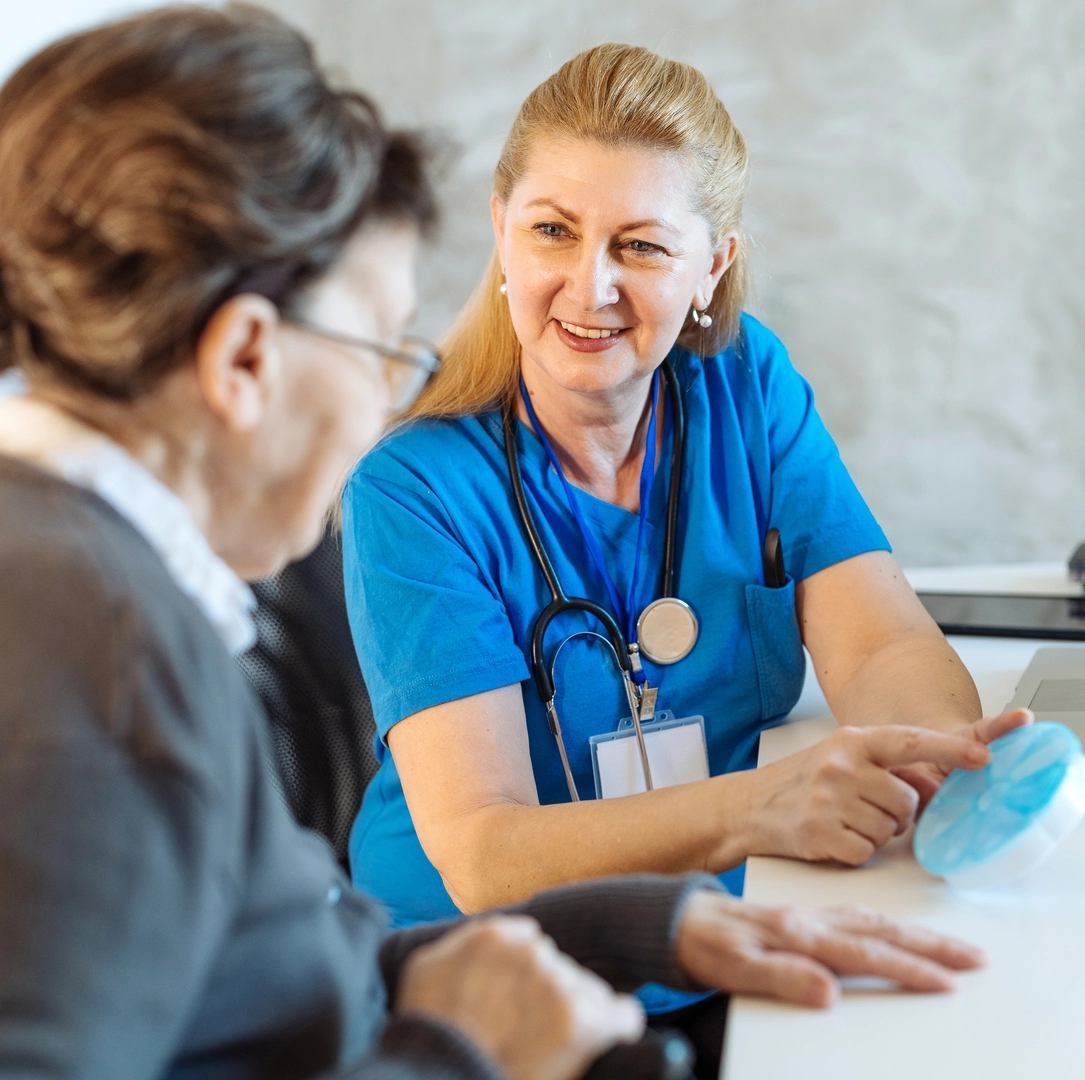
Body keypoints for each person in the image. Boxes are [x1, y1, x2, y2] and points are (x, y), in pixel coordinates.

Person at [0, 9, 989, 1080]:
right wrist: (452, 1050)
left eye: (642, 246)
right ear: (245, 357)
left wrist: (635, 928)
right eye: (383, 349)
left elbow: (269, 975)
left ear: (712, 267)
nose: (392, 393)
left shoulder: (119, 600)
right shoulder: (93, 641)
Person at [340, 42, 1028, 1061]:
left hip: (720, 932)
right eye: (551, 232)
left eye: (641, 247)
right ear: (500, 232)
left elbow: (877, 642)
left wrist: (923, 764)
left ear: (711, 265)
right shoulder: (412, 490)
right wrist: (767, 805)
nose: (589, 284)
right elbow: (485, 851)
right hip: (483, 988)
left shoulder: (744, 386)